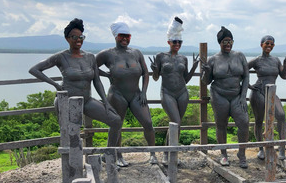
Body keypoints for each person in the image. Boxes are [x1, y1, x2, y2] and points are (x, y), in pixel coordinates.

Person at [29, 18, 122, 150]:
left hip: (87, 100)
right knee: (72, 136)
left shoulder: (90, 57)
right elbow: (34, 69)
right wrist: (55, 85)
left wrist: (106, 103)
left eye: (81, 37)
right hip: (67, 101)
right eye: (74, 37)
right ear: (67, 38)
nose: (78, 40)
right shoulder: (61, 56)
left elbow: (96, 81)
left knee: (116, 121)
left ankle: (109, 155)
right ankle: (72, 167)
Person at [96, 21, 157, 166]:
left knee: (148, 123)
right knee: (117, 125)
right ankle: (118, 155)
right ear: (116, 36)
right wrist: (106, 74)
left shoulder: (136, 53)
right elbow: (90, 67)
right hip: (117, 94)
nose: (125, 39)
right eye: (121, 36)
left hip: (136, 94)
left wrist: (144, 93)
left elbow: (146, 73)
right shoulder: (107, 54)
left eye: (127, 36)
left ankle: (153, 154)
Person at [149, 17, 199, 165]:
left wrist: (195, 67)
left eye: (179, 42)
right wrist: (155, 70)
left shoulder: (183, 58)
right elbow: (156, 78)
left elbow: (186, 79)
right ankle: (169, 154)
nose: (177, 44)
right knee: (176, 122)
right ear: (168, 42)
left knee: (176, 124)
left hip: (183, 93)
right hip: (167, 93)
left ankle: (169, 153)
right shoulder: (160, 56)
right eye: (174, 41)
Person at [201, 26, 250, 168]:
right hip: (219, 95)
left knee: (244, 123)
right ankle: (224, 154)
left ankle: (242, 153)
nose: (228, 44)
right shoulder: (213, 59)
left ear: (233, 42)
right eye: (225, 42)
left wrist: (243, 96)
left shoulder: (240, 56)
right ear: (220, 43)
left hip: (237, 95)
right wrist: (206, 72)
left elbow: (246, 76)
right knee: (221, 125)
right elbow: (206, 81)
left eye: (230, 41)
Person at [248, 35, 286, 161]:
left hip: (272, 93)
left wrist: (285, 63)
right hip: (258, 92)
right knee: (259, 120)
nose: (269, 46)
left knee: (281, 116)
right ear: (261, 44)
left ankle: (282, 148)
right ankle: (261, 149)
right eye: (267, 43)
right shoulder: (257, 60)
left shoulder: (276, 60)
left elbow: (284, 76)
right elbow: (242, 70)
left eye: (272, 44)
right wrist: (248, 85)